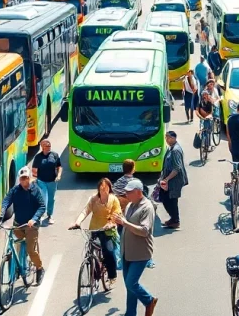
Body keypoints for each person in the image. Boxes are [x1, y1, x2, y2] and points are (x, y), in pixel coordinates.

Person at [113, 179, 158, 316]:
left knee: (131, 283)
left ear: (138, 192)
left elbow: (145, 231)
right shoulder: (130, 205)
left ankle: (149, 300)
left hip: (140, 253)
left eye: (129, 192)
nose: (126, 195)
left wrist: (125, 223)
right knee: (129, 285)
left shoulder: (147, 208)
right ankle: (130, 313)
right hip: (127, 252)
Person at [0, 167, 46, 284]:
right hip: (18, 224)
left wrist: (34, 219)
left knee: (30, 249)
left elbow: (42, 206)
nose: (24, 181)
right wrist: (1, 214)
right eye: (22, 179)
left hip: (31, 226)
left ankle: (39, 268)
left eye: (26, 178)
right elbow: (6, 201)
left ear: (29, 178)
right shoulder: (15, 190)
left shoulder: (35, 191)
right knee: (18, 248)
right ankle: (19, 268)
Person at [70, 178, 120, 285]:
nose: (103, 191)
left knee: (109, 252)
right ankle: (94, 269)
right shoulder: (93, 199)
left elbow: (116, 213)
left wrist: (110, 223)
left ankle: (112, 275)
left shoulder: (114, 199)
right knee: (90, 249)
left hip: (107, 231)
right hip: (94, 229)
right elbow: (86, 211)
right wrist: (77, 222)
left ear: (109, 188)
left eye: (106, 188)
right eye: (101, 189)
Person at [157, 130, 188, 229]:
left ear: (174, 138)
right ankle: (173, 218)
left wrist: (167, 179)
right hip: (169, 179)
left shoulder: (175, 151)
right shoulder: (171, 148)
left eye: (168, 137)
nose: (166, 139)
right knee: (166, 198)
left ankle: (175, 220)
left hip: (174, 180)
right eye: (165, 137)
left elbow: (177, 168)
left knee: (171, 200)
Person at [31, 139, 62, 222]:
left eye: (49, 146)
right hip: (42, 181)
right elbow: (34, 169)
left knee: (51, 199)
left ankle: (50, 215)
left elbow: (59, 166)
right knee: (43, 198)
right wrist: (37, 177)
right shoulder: (38, 157)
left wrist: (58, 175)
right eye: (47, 146)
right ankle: (41, 214)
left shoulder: (54, 155)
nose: (49, 147)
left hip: (52, 181)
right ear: (42, 147)